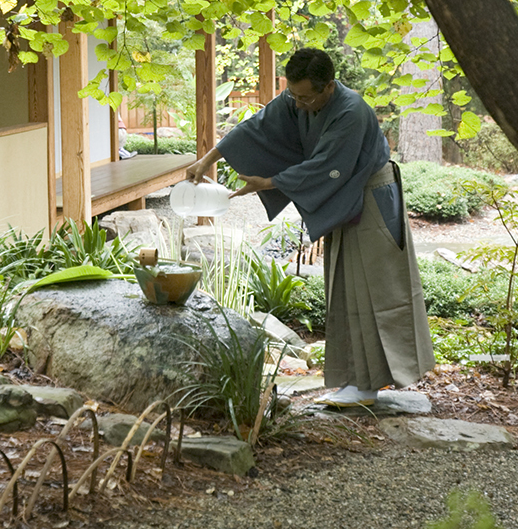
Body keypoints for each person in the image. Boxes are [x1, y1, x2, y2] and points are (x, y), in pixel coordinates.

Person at [186, 48, 434, 407]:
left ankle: (368, 385)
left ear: (329, 87)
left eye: (306, 97)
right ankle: (355, 380)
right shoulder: (298, 100)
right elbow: (255, 127)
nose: (298, 104)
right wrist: (207, 160)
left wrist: (268, 182)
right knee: (346, 286)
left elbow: (327, 166)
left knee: (375, 287)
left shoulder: (352, 111)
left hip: (371, 198)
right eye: (293, 95)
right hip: (345, 195)